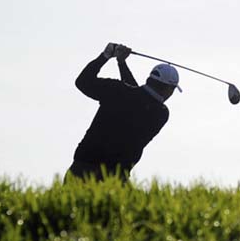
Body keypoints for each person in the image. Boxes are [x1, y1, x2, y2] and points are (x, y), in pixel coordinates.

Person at [65, 43, 181, 183]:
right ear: (169, 89)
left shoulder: (117, 90)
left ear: (150, 80)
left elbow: (82, 82)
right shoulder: (161, 113)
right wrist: (122, 63)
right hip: (116, 178)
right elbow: (137, 95)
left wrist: (106, 56)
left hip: (81, 168)